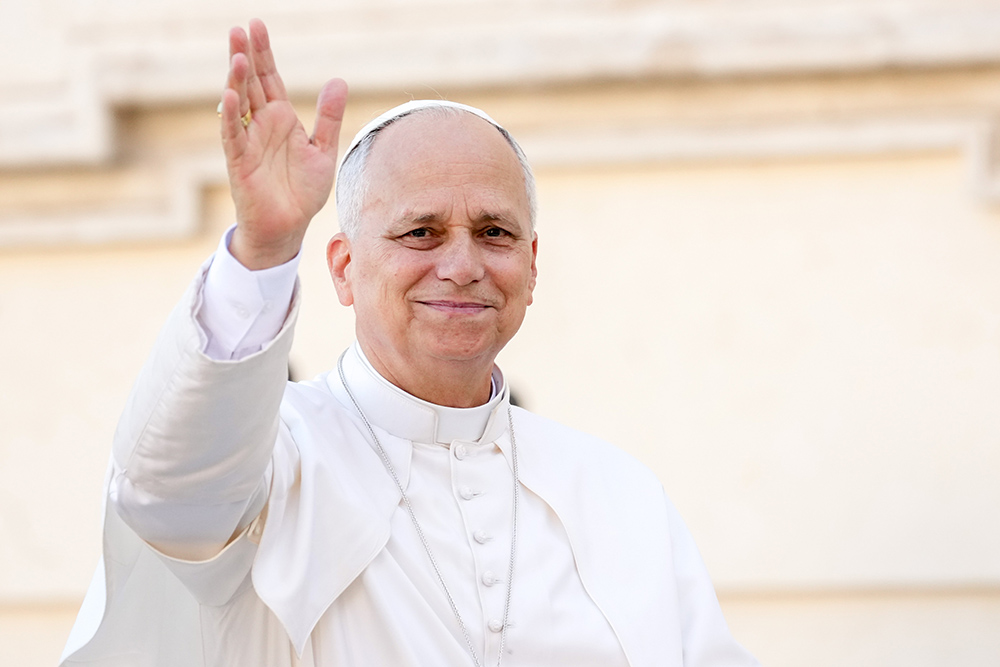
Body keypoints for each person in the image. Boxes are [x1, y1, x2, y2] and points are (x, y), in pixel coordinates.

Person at [61, 19, 759, 667]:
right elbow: (167, 496)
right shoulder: (274, 460)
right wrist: (264, 250)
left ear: (532, 264)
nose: (462, 264)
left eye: (495, 232)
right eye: (420, 232)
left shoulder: (618, 493)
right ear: (343, 267)